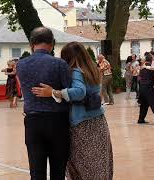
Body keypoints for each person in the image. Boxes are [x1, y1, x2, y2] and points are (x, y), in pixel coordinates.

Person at [31, 42, 113, 180]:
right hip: (98, 122)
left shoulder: (76, 71)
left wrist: (54, 92)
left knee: (83, 165)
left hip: (82, 125)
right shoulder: (92, 69)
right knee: (99, 163)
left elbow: (79, 92)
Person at [16, 27, 71, 180]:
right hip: (58, 122)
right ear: (52, 43)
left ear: (31, 44)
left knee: (36, 172)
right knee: (58, 172)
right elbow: (70, 93)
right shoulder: (60, 64)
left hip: (33, 122)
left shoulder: (21, 65)